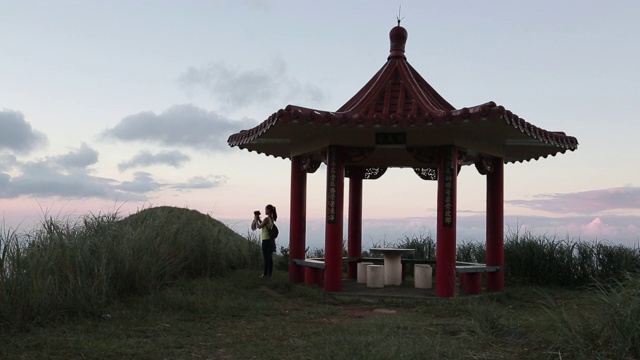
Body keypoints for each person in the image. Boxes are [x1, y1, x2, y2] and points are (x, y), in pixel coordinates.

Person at [254, 204, 277, 279]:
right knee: (269, 258)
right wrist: (260, 220)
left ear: (269, 210)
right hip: (270, 241)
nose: (265, 211)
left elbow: (259, 227)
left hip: (266, 240)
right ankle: (269, 274)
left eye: (266, 209)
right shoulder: (271, 218)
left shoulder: (267, 218)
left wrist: (256, 220)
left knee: (266, 258)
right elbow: (264, 224)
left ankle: (265, 274)